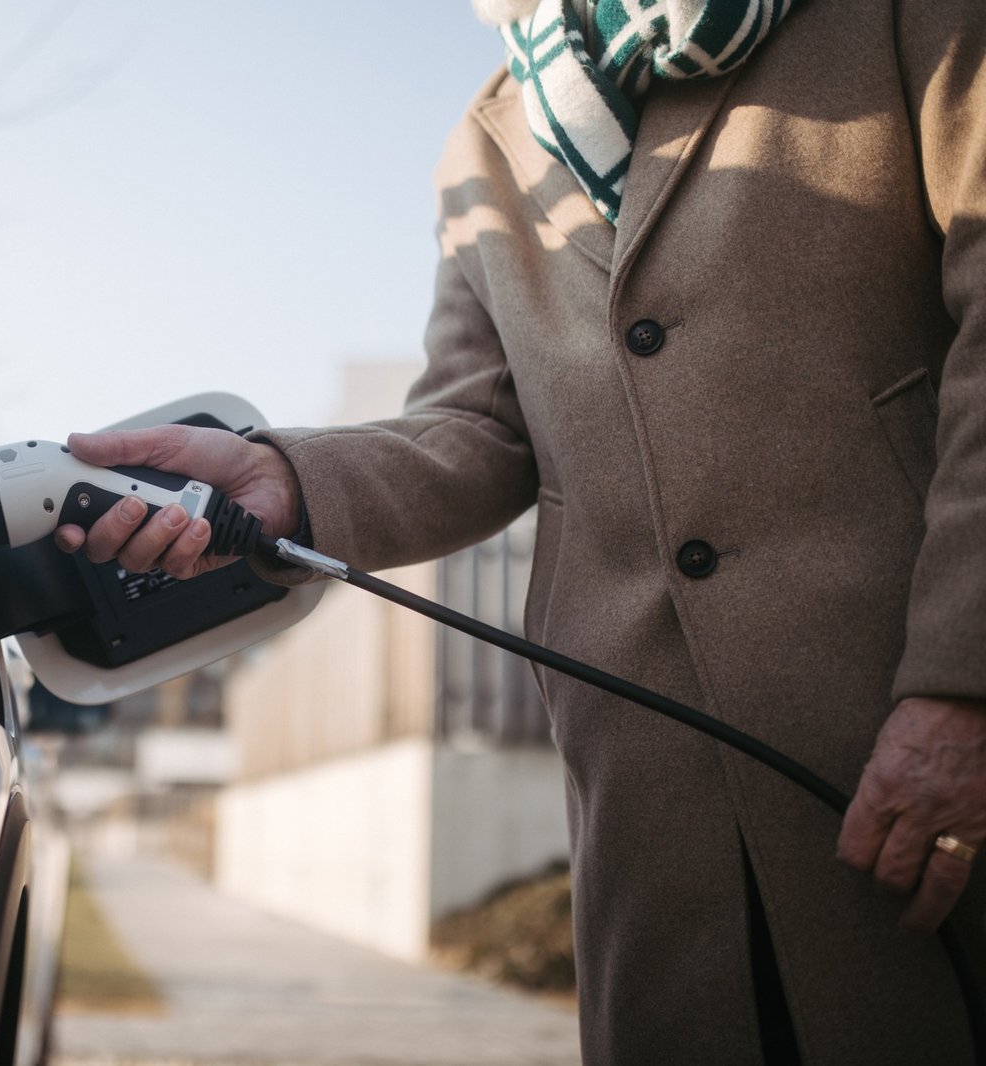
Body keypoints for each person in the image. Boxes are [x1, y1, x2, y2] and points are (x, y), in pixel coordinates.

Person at [55, 2, 986, 1063]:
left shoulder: (899, 18)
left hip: (896, 722)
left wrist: (962, 684)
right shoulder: (486, 136)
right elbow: (481, 425)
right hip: (648, 784)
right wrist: (284, 475)